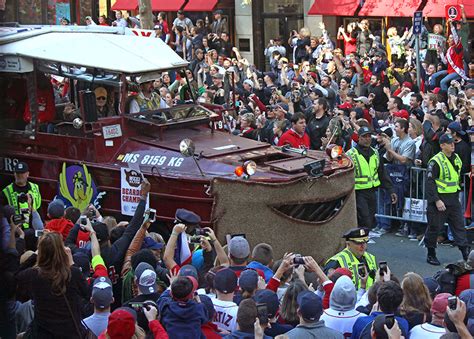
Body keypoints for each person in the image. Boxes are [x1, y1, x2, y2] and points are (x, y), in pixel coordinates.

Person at [16, 232, 89, 338]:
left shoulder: (33, 275)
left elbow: (16, 277)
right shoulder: (73, 273)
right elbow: (87, 293)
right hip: (70, 333)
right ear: (61, 251)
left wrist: (35, 255)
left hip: (43, 334)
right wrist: (72, 263)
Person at [425, 133, 470, 265]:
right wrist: (436, 200)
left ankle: (465, 254)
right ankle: (431, 254)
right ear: (442, 145)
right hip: (440, 199)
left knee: (459, 227)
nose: (452, 145)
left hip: (453, 199)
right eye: (449, 143)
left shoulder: (456, 158)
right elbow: (430, 182)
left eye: (453, 143)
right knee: (434, 227)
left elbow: (457, 175)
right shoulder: (435, 161)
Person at [346, 126, 397, 230]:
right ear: (359, 138)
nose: (367, 139)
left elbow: (382, 173)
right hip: (358, 192)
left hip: (372, 192)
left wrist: (391, 190)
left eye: (369, 136)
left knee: (370, 220)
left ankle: (362, 242)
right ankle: (359, 241)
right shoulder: (350, 154)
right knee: (365, 219)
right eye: (364, 136)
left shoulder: (375, 153)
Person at [1, 162, 41, 230]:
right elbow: (3, 216)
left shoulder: (35, 188)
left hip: (34, 228)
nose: (19, 175)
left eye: (22, 173)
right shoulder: (6, 192)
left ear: (27, 174)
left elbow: (39, 209)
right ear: (14, 174)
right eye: (17, 173)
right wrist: (24, 218)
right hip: (16, 230)